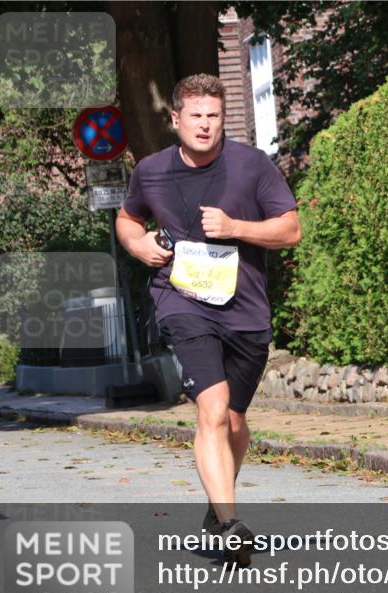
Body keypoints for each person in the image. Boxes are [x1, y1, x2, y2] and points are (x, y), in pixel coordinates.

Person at [116, 73, 300, 564]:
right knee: (212, 408)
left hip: (246, 310)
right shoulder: (151, 170)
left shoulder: (252, 166)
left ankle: (217, 509)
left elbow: (290, 229)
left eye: (213, 116)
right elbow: (128, 217)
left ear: (224, 120)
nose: (204, 124)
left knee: (235, 423)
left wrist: (236, 227)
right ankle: (231, 523)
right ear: (175, 119)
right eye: (194, 115)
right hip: (183, 300)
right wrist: (139, 246)